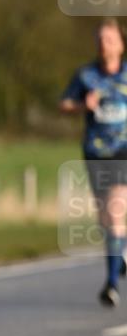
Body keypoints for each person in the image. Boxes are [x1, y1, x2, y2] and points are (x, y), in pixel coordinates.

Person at [60, 18, 127, 308]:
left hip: (124, 149)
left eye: (110, 39)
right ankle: (119, 255)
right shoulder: (86, 75)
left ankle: (111, 284)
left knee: (115, 210)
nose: (104, 44)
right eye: (100, 39)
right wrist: (80, 105)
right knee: (105, 217)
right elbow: (64, 104)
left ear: (121, 44)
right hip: (95, 151)